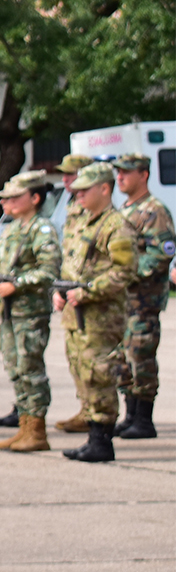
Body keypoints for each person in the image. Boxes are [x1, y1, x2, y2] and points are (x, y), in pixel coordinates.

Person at [57, 162, 138, 462]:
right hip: (77, 314)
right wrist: (61, 291)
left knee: (100, 374)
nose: (77, 195)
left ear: (104, 189)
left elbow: (124, 271)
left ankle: (102, 440)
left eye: (84, 190)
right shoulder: (86, 223)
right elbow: (73, 265)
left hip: (102, 316)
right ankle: (92, 434)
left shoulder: (116, 225)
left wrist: (86, 291)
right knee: (83, 372)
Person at [0, 170, 60, 452]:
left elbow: (49, 271)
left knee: (30, 368)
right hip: (8, 313)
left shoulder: (42, 229)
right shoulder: (12, 230)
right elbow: (2, 269)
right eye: (5, 198)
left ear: (35, 198)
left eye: (14, 198)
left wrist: (17, 284)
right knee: (15, 368)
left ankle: (37, 430)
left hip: (30, 312)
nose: (6, 203)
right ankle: (24, 426)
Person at [112, 153, 174, 439]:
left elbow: (162, 254)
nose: (120, 177)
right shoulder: (123, 210)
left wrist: (129, 273)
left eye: (126, 172)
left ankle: (144, 419)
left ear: (144, 174)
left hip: (143, 300)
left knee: (141, 356)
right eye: (118, 173)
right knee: (122, 359)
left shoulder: (154, 210)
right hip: (121, 300)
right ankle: (130, 413)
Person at [53, 153, 95, 432]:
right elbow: (68, 255)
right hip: (70, 294)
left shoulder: (95, 212)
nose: (65, 179)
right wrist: (59, 287)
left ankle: (97, 414)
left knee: (94, 359)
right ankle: (85, 408)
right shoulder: (71, 208)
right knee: (75, 357)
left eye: (71, 174)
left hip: (90, 297)